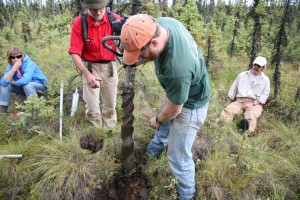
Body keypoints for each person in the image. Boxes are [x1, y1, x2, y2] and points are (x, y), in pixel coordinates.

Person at [121, 14, 210, 200]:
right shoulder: (162, 25)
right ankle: (149, 157)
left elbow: (175, 109)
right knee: (163, 130)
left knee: (178, 156)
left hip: (191, 104)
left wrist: (158, 119)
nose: (140, 58)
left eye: (141, 53)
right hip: (177, 94)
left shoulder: (177, 69)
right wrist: (134, 57)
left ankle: (187, 195)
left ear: (153, 43)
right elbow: (146, 50)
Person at [68, 0, 121, 128]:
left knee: (110, 105)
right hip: (90, 67)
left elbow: (127, 40)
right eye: (93, 9)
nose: (98, 12)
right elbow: (74, 52)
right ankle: (96, 132)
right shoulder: (80, 22)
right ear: (87, 8)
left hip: (110, 67)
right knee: (92, 107)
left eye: (100, 8)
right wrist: (87, 74)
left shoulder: (114, 19)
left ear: (105, 6)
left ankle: (110, 131)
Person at [219, 56, 270, 132]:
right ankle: (221, 126)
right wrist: (228, 103)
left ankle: (246, 130)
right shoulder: (242, 75)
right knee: (229, 110)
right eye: (255, 65)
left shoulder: (266, 80)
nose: (256, 67)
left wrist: (253, 104)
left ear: (262, 68)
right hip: (240, 100)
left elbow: (264, 96)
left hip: (255, 103)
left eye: (258, 66)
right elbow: (233, 89)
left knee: (251, 114)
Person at [0, 46, 48, 114]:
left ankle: (35, 111)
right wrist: (13, 69)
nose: (16, 59)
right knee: (6, 86)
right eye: (13, 57)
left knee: (28, 85)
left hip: (40, 86)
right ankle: (3, 112)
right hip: (24, 88)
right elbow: (3, 83)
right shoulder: (10, 67)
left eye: (18, 56)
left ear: (22, 55)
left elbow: (26, 80)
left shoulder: (30, 64)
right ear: (9, 58)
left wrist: (15, 83)